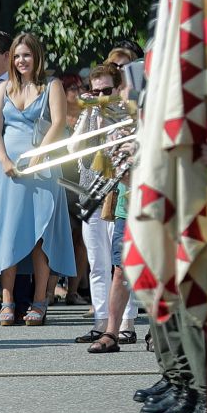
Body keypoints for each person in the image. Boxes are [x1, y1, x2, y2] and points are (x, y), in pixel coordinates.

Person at [0, 31, 75, 325]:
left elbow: (59, 122)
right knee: (8, 231)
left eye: (27, 55)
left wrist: (39, 155)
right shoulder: (4, 88)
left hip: (42, 169)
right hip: (8, 171)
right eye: (18, 55)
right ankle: (7, 300)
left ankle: (39, 301)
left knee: (40, 236)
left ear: (37, 57)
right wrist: (5, 160)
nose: (22, 60)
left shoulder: (51, 85)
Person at [71, 63, 137, 350]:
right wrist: (88, 117)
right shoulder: (89, 115)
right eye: (94, 91)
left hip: (118, 189)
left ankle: (126, 324)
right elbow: (74, 149)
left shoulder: (127, 116)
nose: (100, 96)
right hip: (91, 188)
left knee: (120, 263)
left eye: (106, 91)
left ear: (118, 89)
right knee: (97, 262)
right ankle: (101, 321)